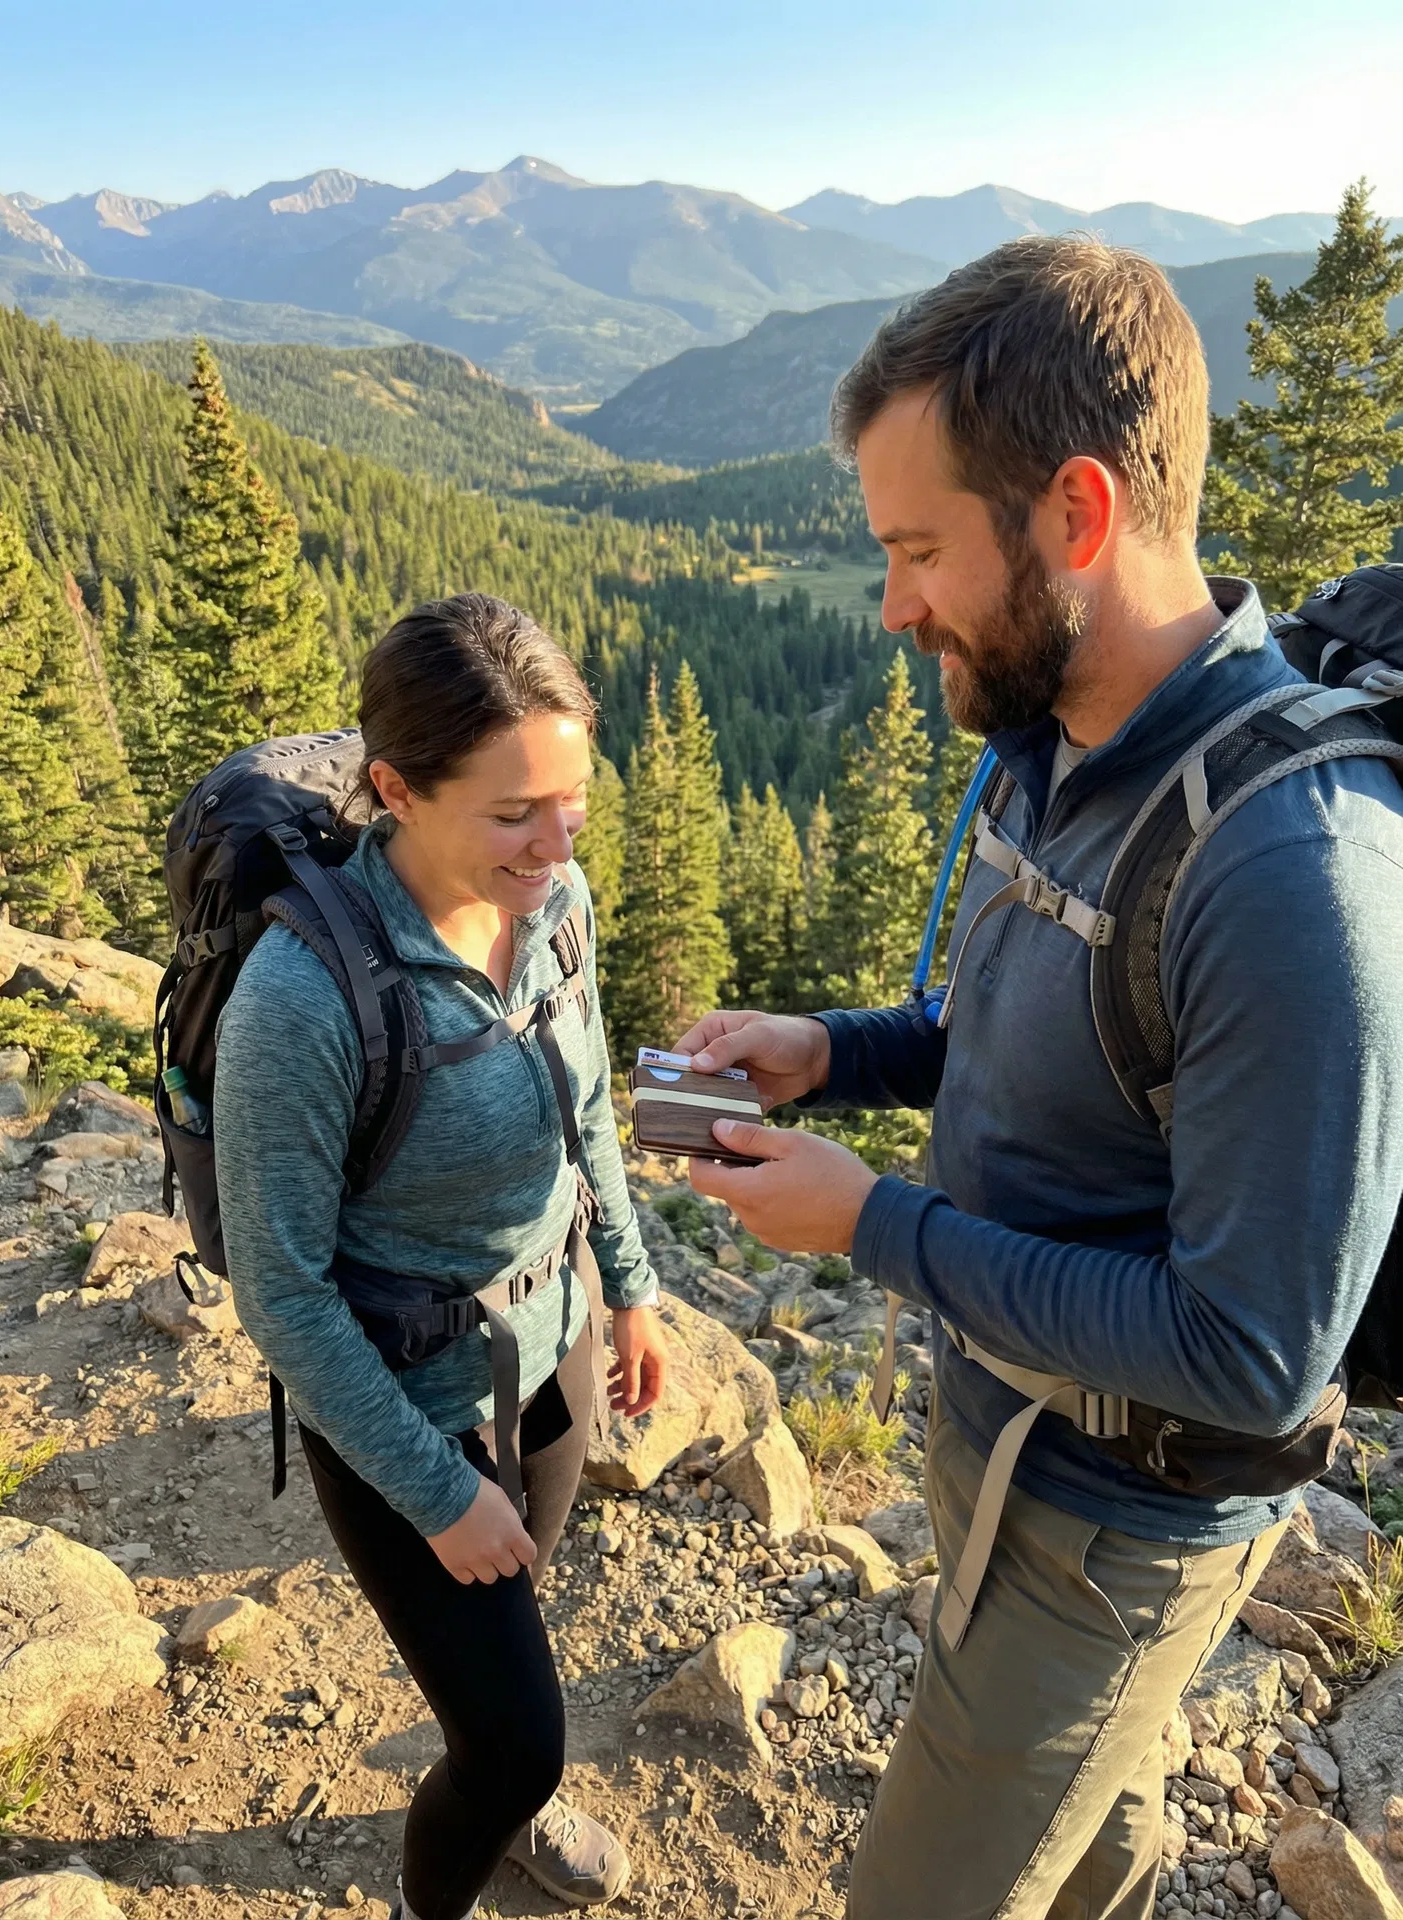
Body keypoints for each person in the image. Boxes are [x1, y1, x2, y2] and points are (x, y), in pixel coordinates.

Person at [679, 238, 1403, 1918]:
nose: (892, 604)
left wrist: (876, 1230)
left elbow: (1250, 1350)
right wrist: (838, 1054)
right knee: (1084, 1841)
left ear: (1074, 517)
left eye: (919, 548)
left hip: (1116, 1522)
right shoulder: (1059, 732)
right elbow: (1076, 1035)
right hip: (1002, 1414)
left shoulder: (1291, 882)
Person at [214, 594, 669, 1920]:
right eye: (515, 810)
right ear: (396, 791)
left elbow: (587, 1103)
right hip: (409, 1400)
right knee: (520, 1740)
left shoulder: (556, 899)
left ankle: (493, 1789)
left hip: (554, 1346)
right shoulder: (302, 1003)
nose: (557, 838)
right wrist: (429, 1491)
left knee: (516, 1610)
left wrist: (630, 1288)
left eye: (573, 797)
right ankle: (445, 1886)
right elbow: (282, 1292)